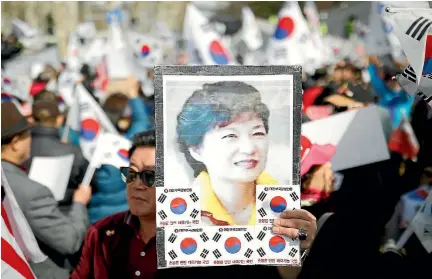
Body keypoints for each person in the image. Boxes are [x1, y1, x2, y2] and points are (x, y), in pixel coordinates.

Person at [71, 130, 317, 279]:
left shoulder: (211, 236)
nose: (136, 185)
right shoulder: (102, 233)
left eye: (149, 177)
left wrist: (294, 251)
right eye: (131, 174)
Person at [176, 81, 286, 225]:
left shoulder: (286, 199)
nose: (249, 148)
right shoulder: (181, 214)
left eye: (257, 133)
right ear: (196, 150)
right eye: (230, 136)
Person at [1, 102, 92, 271]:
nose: (31, 139)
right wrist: (79, 203)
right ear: (15, 143)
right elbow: (69, 241)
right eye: (28, 134)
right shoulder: (34, 193)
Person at [88, 76, 153, 223]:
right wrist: (133, 95)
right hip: (128, 217)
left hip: (95, 219)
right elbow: (141, 120)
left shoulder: (91, 145)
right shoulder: (127, 145)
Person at [23, 99, 95, 214]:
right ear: (59, 119)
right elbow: (87, 183)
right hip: (62, 214)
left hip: (25, 213)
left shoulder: (19, 148)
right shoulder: (73, 151)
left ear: (31, 119)